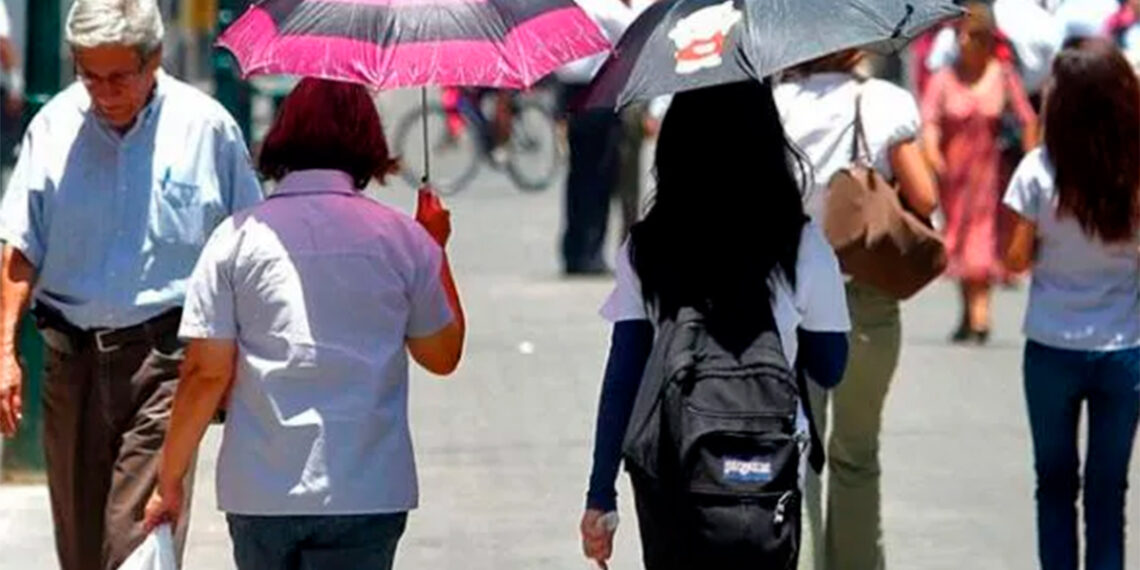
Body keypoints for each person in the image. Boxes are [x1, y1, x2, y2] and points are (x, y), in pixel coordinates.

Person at [141, 78, 466, 570]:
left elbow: (206, 374)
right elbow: (442, 356)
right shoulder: (403, 240)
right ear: (367, 139)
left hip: (263, 489)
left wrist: (170, 478)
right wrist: (435, 248)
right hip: (367, 487)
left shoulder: (236, 239)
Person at [0, 1, 263, 568]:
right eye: (89, 75)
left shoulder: (206, 129)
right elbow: (20, 246)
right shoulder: (54, 127)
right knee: (83, 553)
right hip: (70, 366)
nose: (104, 91)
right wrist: (5, 353)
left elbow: (250, 248)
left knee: (136, 546)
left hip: (164, 364)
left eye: (119, 76)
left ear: (154, 60)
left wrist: (240, 360)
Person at [577, 80, 851, 570]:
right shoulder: (803, 246)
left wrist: (601, 494)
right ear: (770, 143)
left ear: (676, 147)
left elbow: (624, 377)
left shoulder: (647, 247)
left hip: (670, 470)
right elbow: (831, 368)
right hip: (772, 467)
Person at [775, 49, 939, 570]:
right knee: (857, 453)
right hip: (865, 296)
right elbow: (925, 196)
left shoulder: (775, 104)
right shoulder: (884, 102)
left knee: (797, 453)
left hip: (791, 297)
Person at [1002, 40, 1140, 570]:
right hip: (1123, 348)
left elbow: (1013, 261)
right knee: (1109, 494)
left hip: (1051, 346)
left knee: (1054, 485)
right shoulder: (1133, 174)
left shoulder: (1038, 171)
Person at [921, 2, 1038, 343]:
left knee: (982, 242)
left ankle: (980, 315)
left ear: (986, 40)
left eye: (970, 36)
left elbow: (1028, 118)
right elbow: (929, 120)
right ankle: (967, 313)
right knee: (957, 242)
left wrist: (1032, 162)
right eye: (960, 36)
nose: (962, 43)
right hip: (953, 176)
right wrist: (932, 156)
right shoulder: (944, 78)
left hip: (990, 175)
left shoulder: (1003, 75)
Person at [555, 0, 648, 275]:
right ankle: (590, 251)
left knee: (579, 176)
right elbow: (634, 28)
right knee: (598, 176)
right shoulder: (604, 6)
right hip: (596, 93)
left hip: (573, 94)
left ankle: (575, 249)